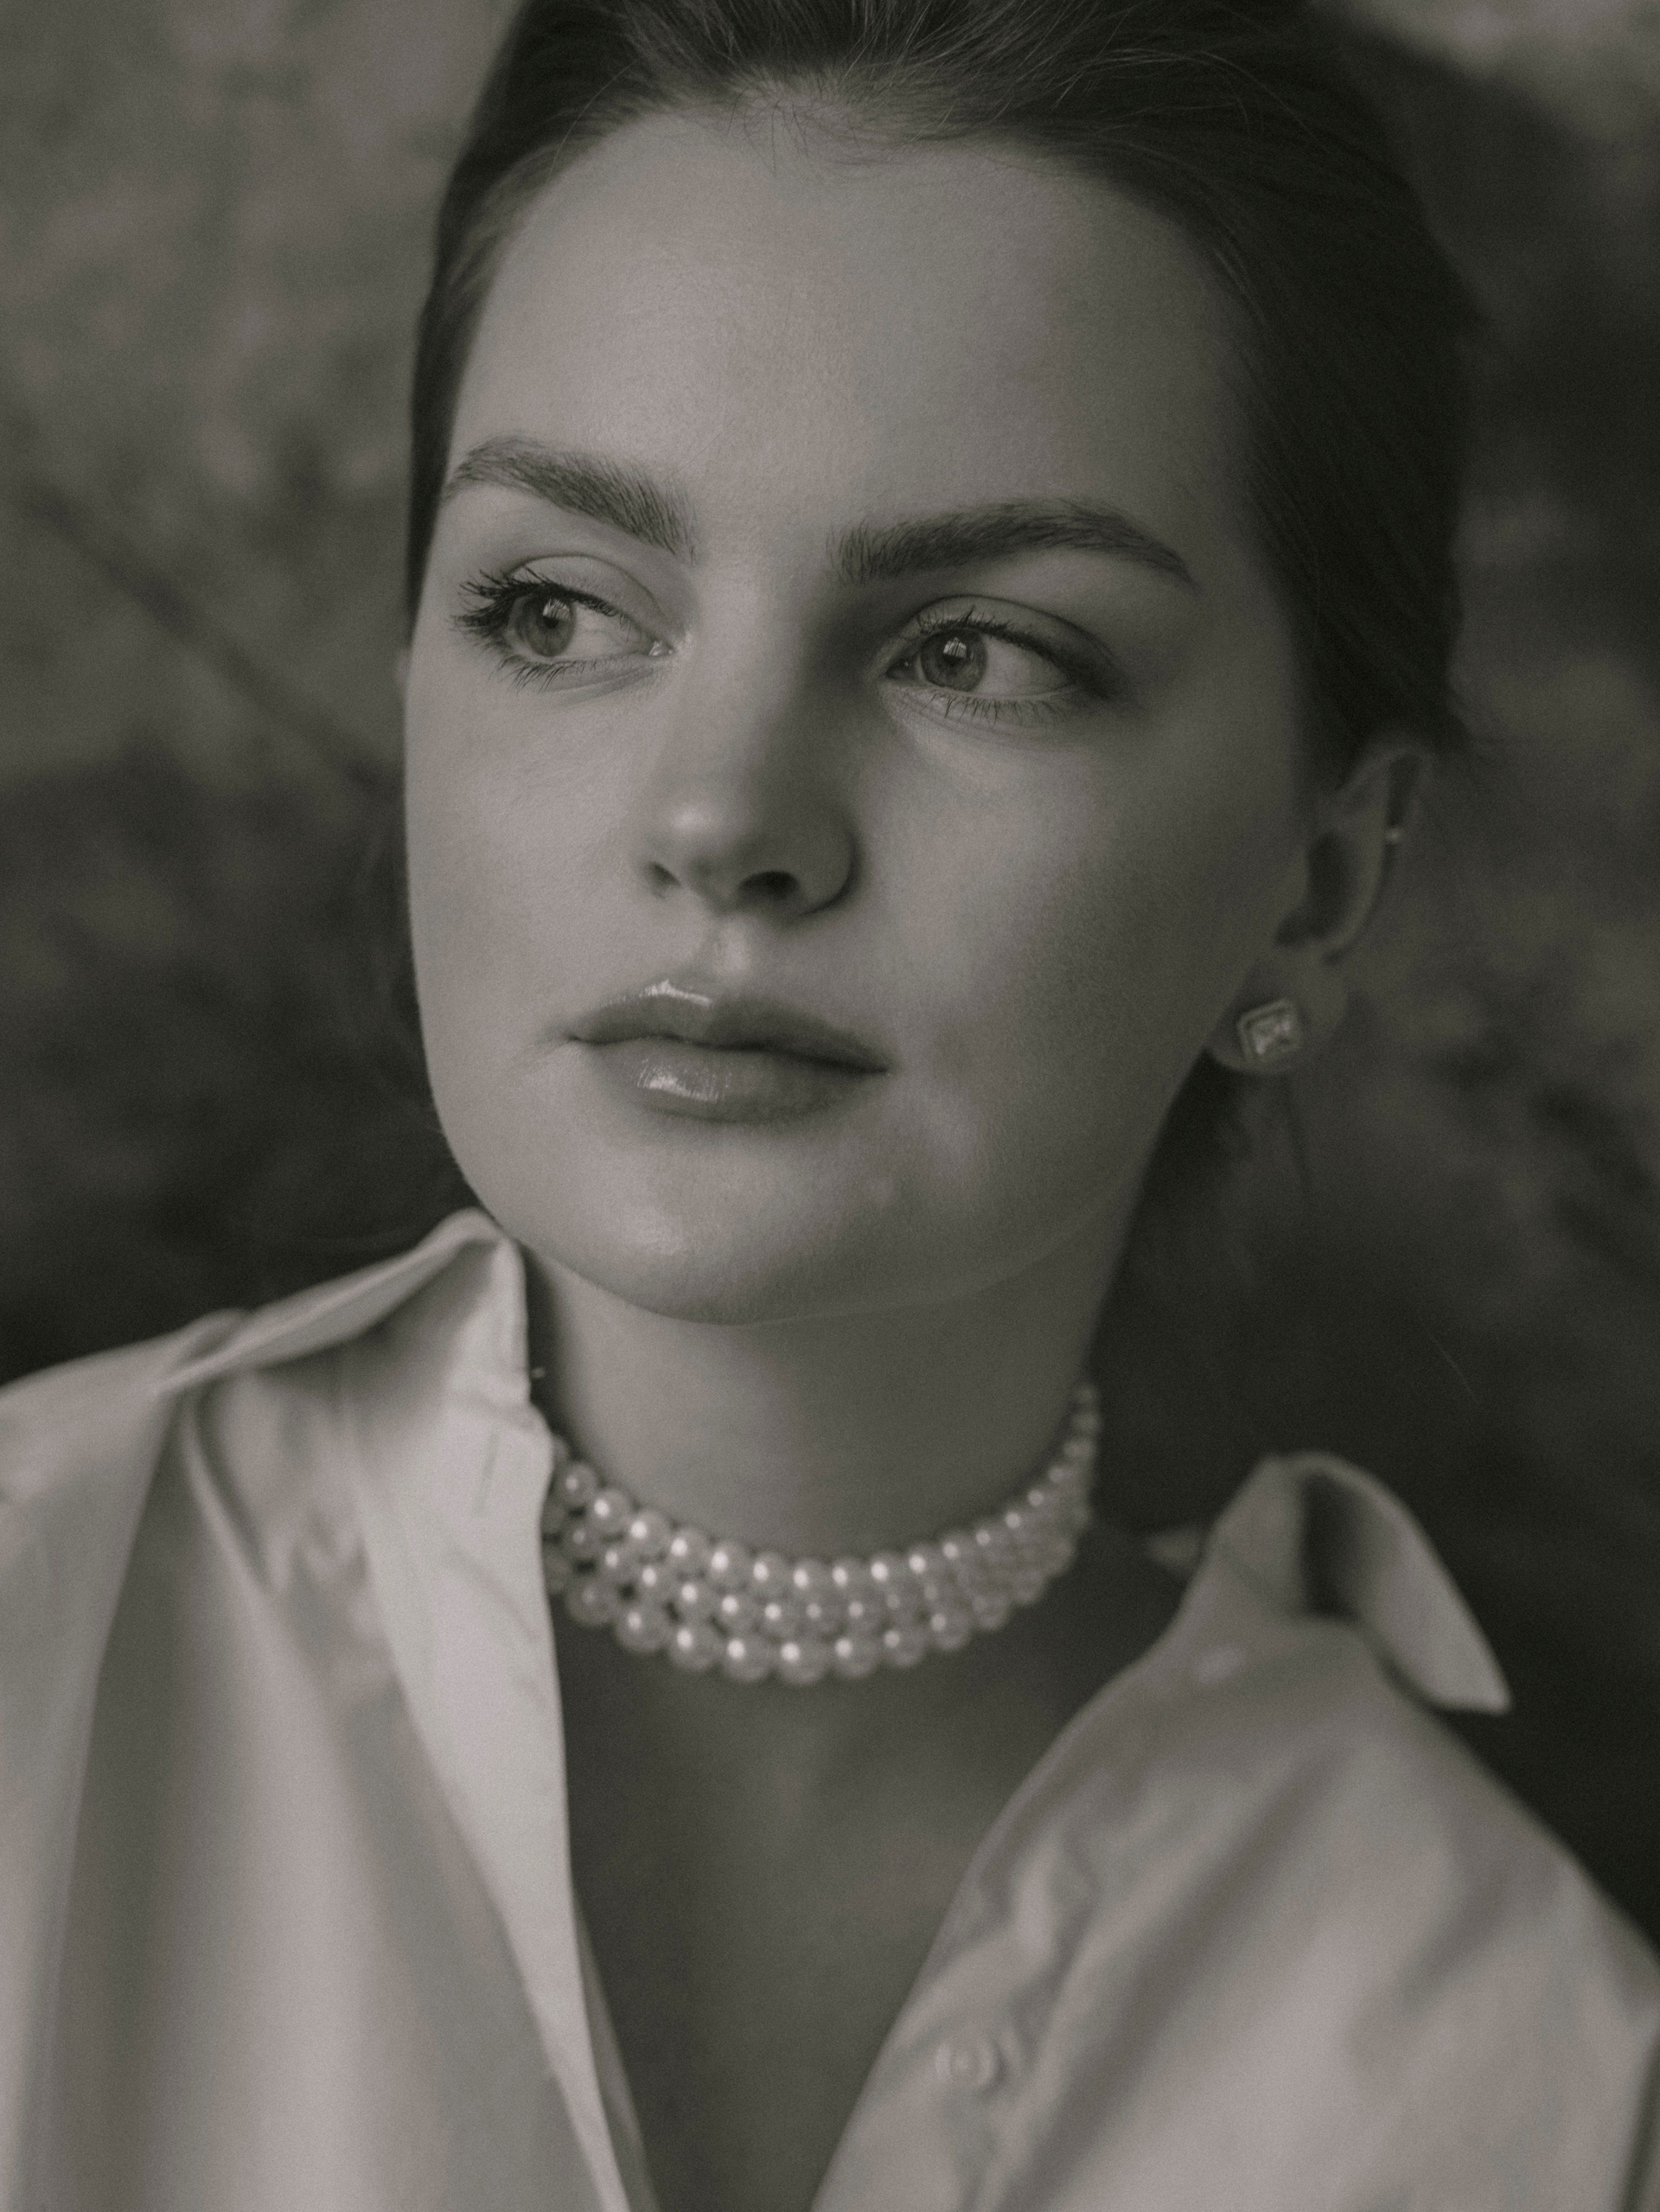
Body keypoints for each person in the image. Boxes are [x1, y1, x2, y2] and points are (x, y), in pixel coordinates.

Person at [4, 1, 1657, 2207]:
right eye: (557, 609)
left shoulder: (1533, 2078)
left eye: (980, 650)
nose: (719, 814)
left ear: (1321, 878)